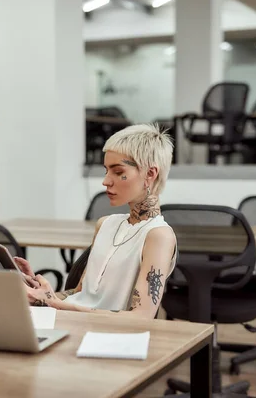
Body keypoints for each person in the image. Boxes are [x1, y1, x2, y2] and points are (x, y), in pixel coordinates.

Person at [16, 123, 177, 319]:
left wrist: (53, 304)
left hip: (104, 335)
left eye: (118, 172)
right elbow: (80, 295)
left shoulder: (158, 235)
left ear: (150, 174)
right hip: (71, 321)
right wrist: (43, 294)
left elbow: (141, 316)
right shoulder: (105, 224)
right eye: (106, 171)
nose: (106, 181)